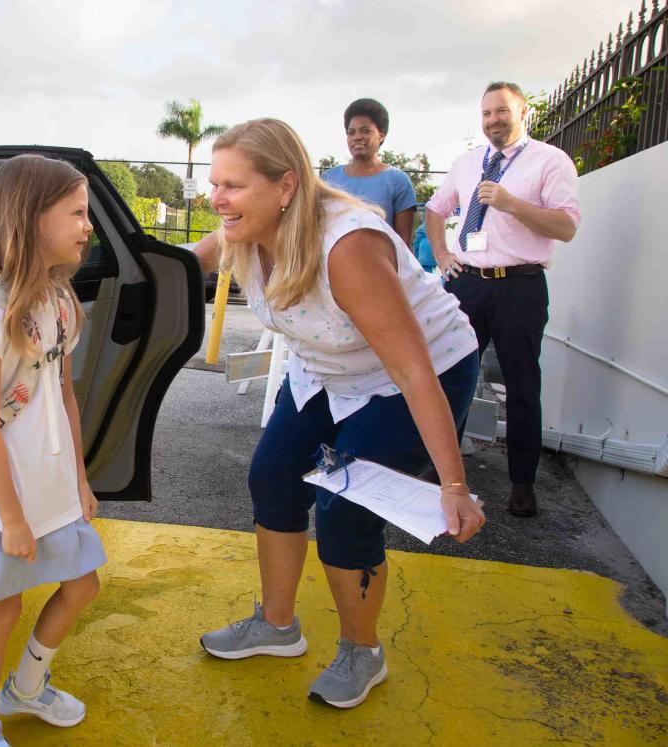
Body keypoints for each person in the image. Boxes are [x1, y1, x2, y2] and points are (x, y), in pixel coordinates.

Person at [192, 119, 484, 709]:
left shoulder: (347, 246)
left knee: (345, 507)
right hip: (327, 364)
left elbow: (413, 371)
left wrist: (454, 484)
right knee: (272, 477)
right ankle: (277, 627)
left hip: (415, 371)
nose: (218, 199)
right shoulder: (243, 229)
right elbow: (171, 266)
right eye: (215, 184)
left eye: (234, 185)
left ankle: (362, 650)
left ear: (285, 187)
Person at [0, 155, 105, 747]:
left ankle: (27, 687)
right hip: (6, 492)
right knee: (2, 611)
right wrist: (9, 517)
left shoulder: (56, 302)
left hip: (53, 485)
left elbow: (63, 397)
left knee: (84, 585)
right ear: (32, 219)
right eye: (77, 213)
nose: (88, 226)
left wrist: (80, 479)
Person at [426, 81, 579, 518]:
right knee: (448, 373)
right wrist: (441, 255)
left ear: (523, 111)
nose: (494, 120)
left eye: (502, 111)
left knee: (521, 383)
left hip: (520, 286)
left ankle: (522, 483)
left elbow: (566, 227)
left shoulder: (551, 162)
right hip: (467, 281)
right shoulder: (468, 162)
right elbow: (436, 209)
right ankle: (443, 472)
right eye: (487, 113)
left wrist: (514, 205)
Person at [322, 98, 417, 247]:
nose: (357, 137)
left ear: (381, 135)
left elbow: (403, 245)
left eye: (365, 130)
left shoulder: (398, 181)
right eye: (351, 132)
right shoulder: (328, 179)